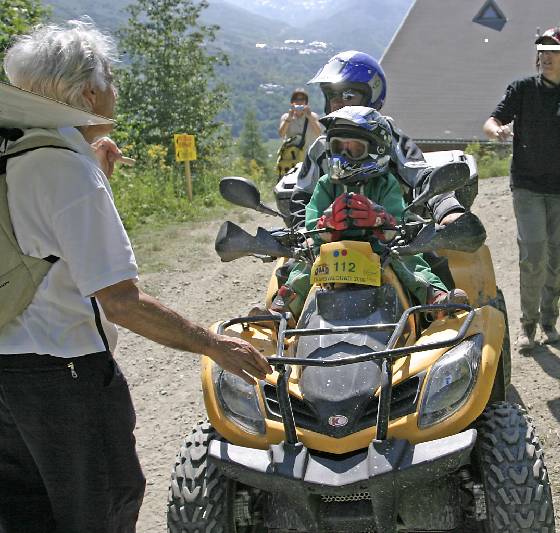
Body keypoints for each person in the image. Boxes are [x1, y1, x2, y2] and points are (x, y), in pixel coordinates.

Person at [0, 21, 271, 532]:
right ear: (88, 93)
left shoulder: (15, 150)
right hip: (64, 373)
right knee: (101, 506)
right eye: (110, 79)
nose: (116, 90)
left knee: (23, 510)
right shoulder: (66, 171)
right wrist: (213, 343)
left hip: (7, 368)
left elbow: (33, 239)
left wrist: (94, 170)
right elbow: (120, 301)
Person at [270, 106, 466, 320]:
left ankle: (434, 296)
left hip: (379, 247)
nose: (343, 155)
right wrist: (324, 226)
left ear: (377, 149)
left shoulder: (386, 182)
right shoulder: (325, 184)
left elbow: (398, 218)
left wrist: (381, 218)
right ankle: (281, 309)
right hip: (331, 246)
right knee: (305, 262)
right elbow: (312, 217)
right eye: (338, 147)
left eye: (354, 148)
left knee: (408, 259)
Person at [483, 27, 560, 347]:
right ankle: (527, 325)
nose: (545, 56)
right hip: (528, 186)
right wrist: (498, 131)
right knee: (533, 253)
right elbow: (491, 121)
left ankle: (549, 320)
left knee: (558, 259)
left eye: (553, 50)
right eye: (542, 50)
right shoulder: (522, 89)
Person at [288, 50, 467, 228]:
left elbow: (421, 175)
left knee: (438, 254)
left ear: (371, 95)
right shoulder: (322, 145)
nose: (338, 102)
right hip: (332, 238)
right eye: (332, 95)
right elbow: (302, 196)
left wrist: (447, 209)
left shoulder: (387, 135)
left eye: (348, 95)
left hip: (394, 236)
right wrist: (303, 233)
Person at [275, 88, 321, 176]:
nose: (299, 102)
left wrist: (310, 117)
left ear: (306, 103)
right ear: (292, 102)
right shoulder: (286, 117)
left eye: (302, 100)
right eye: (296, 99)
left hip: (308, 157)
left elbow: (319, 133)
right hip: (291, 158)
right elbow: (281, 134)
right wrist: (289, 118)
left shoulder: (313, 116)